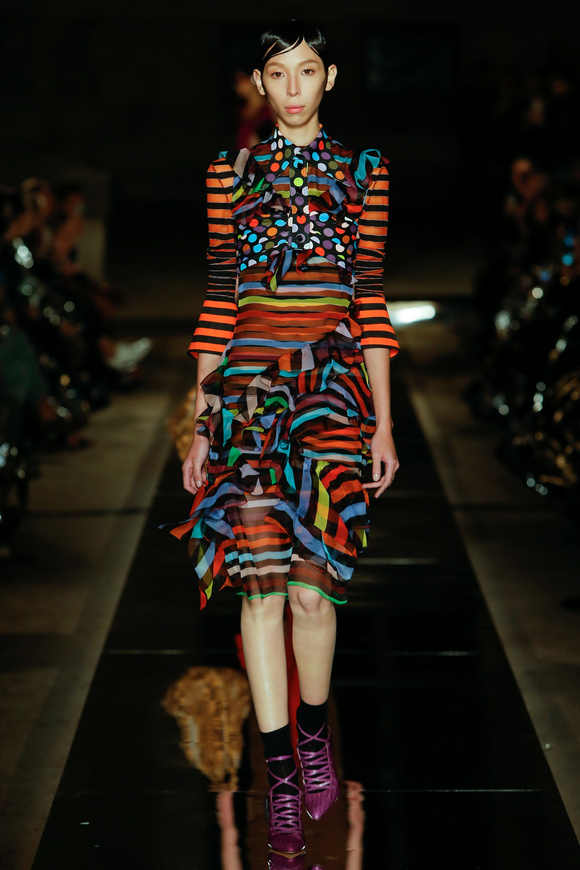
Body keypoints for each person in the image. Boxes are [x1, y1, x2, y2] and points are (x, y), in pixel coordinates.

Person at [169, 21, 400, 858]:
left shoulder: (365, 173)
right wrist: (205, 423)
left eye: (307, 71)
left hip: (332, 391)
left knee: (312, 591)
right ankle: (283, 783)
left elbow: (368, 295)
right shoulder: (228, 175)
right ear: (260, 84)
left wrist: (384, 420)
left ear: (330, 77)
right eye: (278, 73)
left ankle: (310, 735)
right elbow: (218, 298)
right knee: (261, 589)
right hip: (249, 400)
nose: (293, 87)